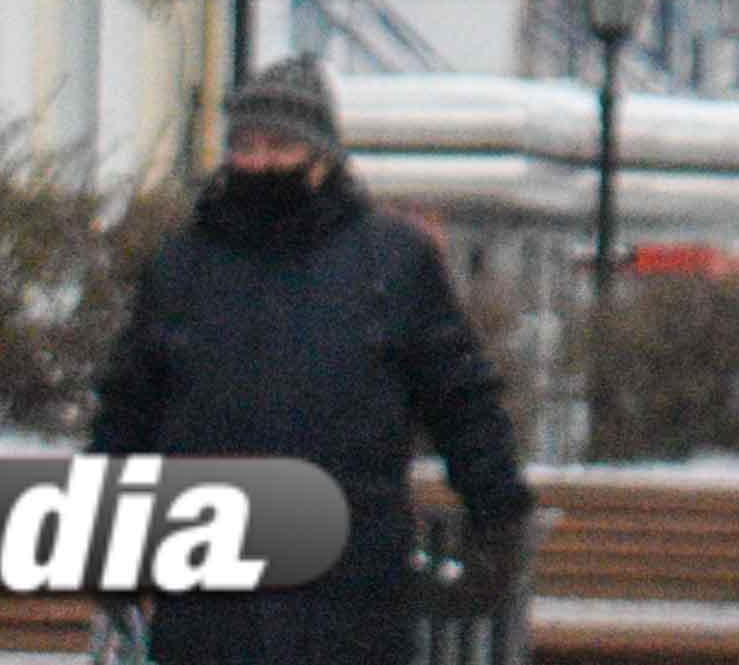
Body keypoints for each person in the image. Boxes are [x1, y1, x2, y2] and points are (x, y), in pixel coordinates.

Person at [87, 61, 532, 665]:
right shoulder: (183, 266)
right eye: (246, 145)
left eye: (281, 145)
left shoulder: (392, 264)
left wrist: (497, 518)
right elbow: (129, 409)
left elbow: (461, 401)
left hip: (351, 580)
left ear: (323, 154)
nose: (261, 162)